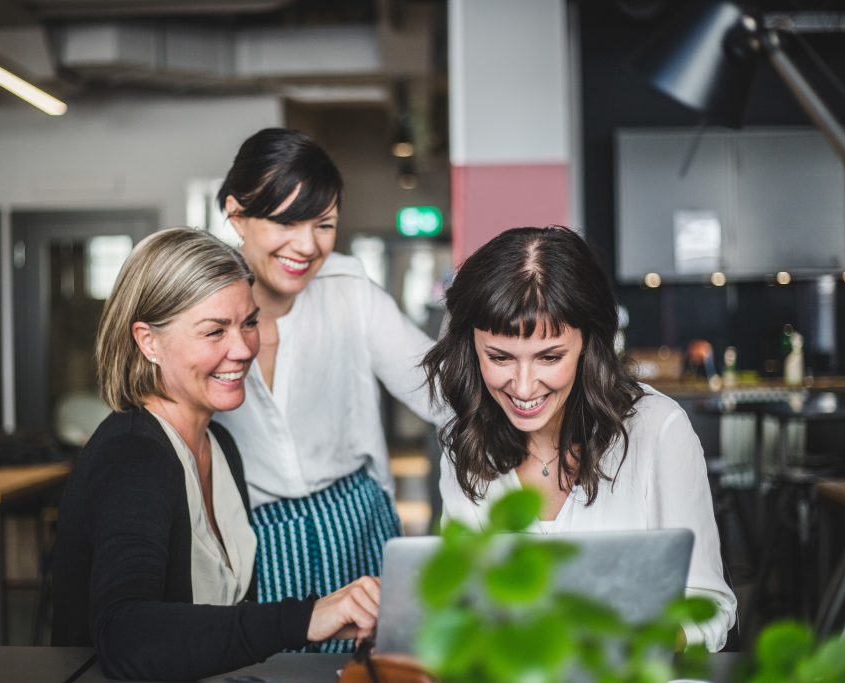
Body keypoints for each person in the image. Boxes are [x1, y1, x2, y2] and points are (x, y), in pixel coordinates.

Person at [51, 228, 380, 681]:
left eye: (248, 322)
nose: (243, 348)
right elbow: (126, 635)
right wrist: (304, 619)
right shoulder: (133, 457)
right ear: (148, 341)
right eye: (214, 331)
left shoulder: (220, 446)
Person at [422, 226, 737, 653]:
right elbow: (462, 606)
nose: (524, 385)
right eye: (499, 358)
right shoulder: (465, 442)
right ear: (470, 349)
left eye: (550, 357)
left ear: (589, 345)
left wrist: (632, 645)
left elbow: (710, 606)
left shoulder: (658, 429)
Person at [212, 129, 445, 634]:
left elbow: (439, 391)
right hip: (254, 541)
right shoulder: (200, 305)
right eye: (285, 221)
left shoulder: (348, 287)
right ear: (236, 215)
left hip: (355, 525)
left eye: (324, 225)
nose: (307, 245)